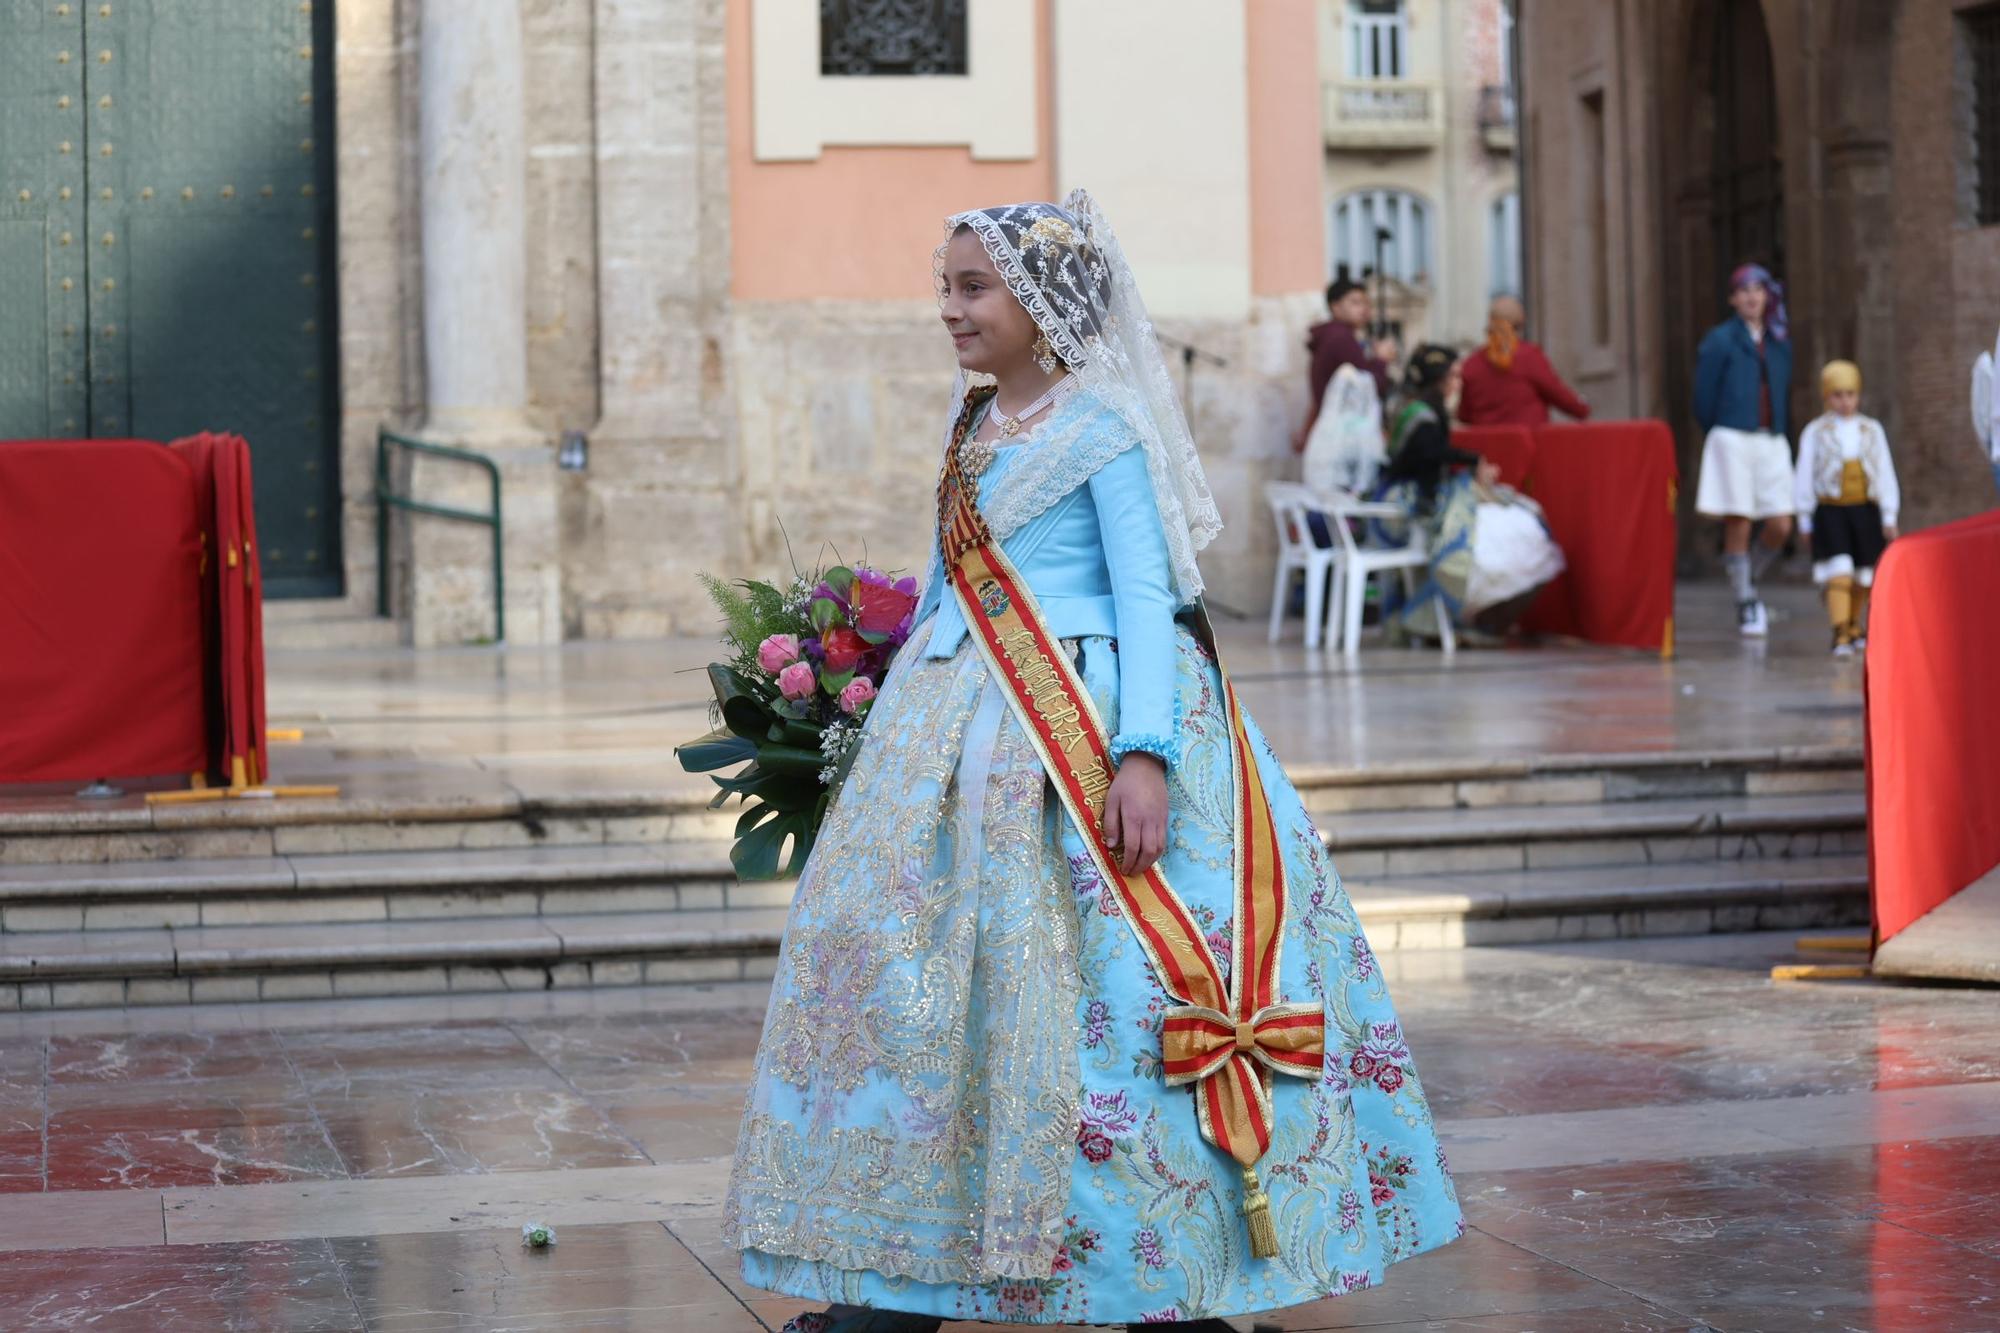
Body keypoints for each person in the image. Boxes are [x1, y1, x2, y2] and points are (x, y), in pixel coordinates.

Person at [725, 193, 1462, 1333]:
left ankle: (1170, 1270)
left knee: (1115, 1004)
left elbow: (1149, 598)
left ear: (1040, 303)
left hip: (1084, 726)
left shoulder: (1102, 428)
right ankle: (893, 1278)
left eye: (973, 288)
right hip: (951, 729)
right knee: (915, 1003)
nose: (949, 307)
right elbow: (940, 590)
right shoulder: (970, 428)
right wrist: (876, 712)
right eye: (946, 284)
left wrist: (1145, 754)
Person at [1374, 346, 1565, 643]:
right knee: (1491, 536)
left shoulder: (1424, 410)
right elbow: (1427, 457)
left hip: (1421, 492)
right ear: (1438, 379)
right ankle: (1441, 617)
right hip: (1407, 503)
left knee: (1514, 518)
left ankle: (1476, 618)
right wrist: (1471, 462)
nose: (1457, 383)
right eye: (1452, 376)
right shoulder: (1421, 415)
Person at [1694, 263, 1794, 638]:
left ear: (1767, 296)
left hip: (1771, 436)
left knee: (1780, 522)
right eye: (1744, 290)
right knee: (1739, 517)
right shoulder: (1719, 341)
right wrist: (1721, 427)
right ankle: (1745, 600)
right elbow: (1702, 397)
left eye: (1758, 289)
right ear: (1733, 299)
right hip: (1732, 435)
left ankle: (1746, 575)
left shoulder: (1780, 339)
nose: (1752, 297)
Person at [1794, 360, 1900, 656]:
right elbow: (1804, 474)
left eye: (1850, 394)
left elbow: (1884, 470)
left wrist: (1889, 513)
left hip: (1864, 509)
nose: (1844, 401)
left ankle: (1855, 625)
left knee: (1864, 573)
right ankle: (1839, 630)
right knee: (1838, 570)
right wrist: (1804, 517)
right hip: (1831, 510)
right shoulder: (1815, 431)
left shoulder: (1871, 429)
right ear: (1826, 396)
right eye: (1837, 395)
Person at [1455, 294, 1591, 427]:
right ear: (1521, 323)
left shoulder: (1472, 363)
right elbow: (1557, 394)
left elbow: (1464, 414)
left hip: (1485, 447)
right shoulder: (1529, 356)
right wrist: (1582, 408)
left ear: (1490, 321)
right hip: (1527, 444)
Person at [1299, 272, 1398, 449]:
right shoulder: (1341, 338)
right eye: (1355, 302)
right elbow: (1368, 386)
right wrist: (1381, 360)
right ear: (1335, 307)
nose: (1364, 309)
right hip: (1344, 437)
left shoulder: (1333, 336)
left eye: (1366, 303)